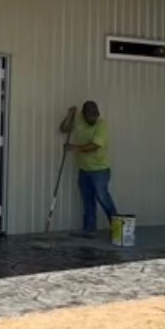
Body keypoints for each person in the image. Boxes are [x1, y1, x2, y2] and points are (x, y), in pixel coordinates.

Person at [60, 101, 116, 238]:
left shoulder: (101, 125)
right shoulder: (78, 119)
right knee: (88, 200)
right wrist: (70, 115)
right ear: (83, 115)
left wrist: (74, 148)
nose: (93, 119)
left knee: (103, 198)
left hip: (100, 170)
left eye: (95, 116)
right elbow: (64, 129)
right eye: (90, 117)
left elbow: (94, 146)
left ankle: (118, 227)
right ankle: (89, 229)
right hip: (84, 169)